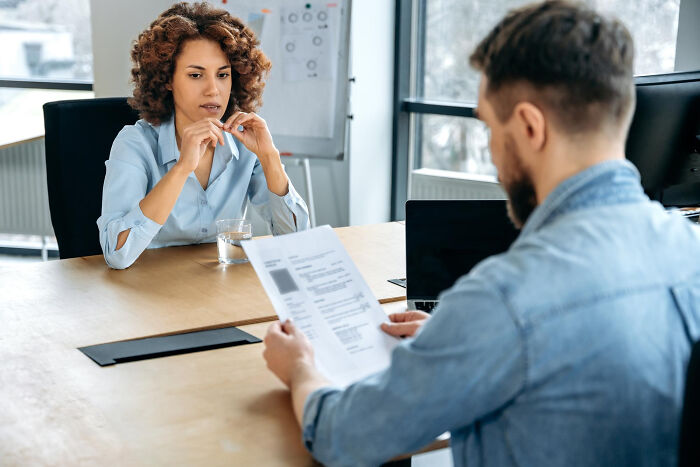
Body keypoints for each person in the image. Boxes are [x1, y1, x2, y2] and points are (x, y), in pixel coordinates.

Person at [262, 1, 700, 466]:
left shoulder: (503, 300)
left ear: (530, 126)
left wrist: (302, 369)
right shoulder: (687, 250)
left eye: (490, 126)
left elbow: (343, 436)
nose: (491, 155)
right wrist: (456, 340)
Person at [97, 2, 309, 269]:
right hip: (150, 295)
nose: (213, 89)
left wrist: (269, 157)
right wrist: (182, 168)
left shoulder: (245, 146)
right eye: (196, 75)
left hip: (221, 292)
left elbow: (297, 242)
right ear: (167, 79)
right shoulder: (134, 144)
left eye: (223, 75)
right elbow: (117, 254)